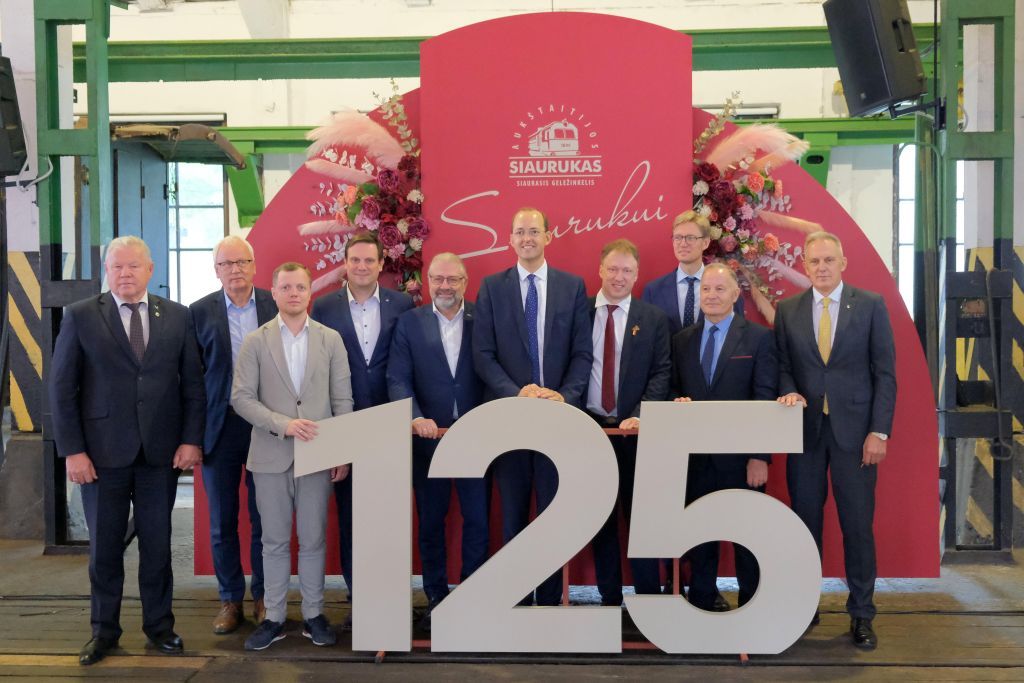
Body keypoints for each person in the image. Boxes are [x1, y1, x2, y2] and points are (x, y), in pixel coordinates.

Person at [50, 236, 205, 666]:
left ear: (150, 270)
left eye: (133, 266)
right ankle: (104, 632)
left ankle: (160, 628)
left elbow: (193, 385)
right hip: (100, 458)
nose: (125, 274)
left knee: (157, 547)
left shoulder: (177, 316)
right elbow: (62, 389)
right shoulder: (81, 316)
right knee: (104, 550)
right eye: (117, 266)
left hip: (160, 455)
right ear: (107, 270)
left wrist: (191, 440)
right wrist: (73, 451)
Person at [775, 231, 896, 650]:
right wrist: (789, 390)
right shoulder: (787, 310)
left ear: (843, 263)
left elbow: (885, 373)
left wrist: (879, 431)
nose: (822, 267)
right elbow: (783, 365)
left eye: (829, 260)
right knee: (805, 523)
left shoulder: (871, 305)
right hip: (805, 434)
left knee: (857, 526)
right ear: (804, 266)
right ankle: (805, 606)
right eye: (814, 261)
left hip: (857, 436)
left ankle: (862, 614)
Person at [472, 206, 592, 606]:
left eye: (534, 231)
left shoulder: (572, 287)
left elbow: (582, 353)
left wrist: (565, 396)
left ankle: (549, 603)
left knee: (553, 518)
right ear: (510, 239)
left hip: (558, 422)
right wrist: (516, 394)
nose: (527, 238)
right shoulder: (492, 288)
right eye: (520, 231)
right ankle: (517, 602)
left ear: (548, 236)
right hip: (509, 422)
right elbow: (483, 354)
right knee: (513, 516)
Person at [231, 262, 353, 651]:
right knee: (273, 541)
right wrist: (282, 424)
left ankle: (314, 614)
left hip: (319, 454)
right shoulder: (256, 341)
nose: (294, 293)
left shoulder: (331, 340)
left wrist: (341, 450)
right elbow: (241, 398)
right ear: (274, 291)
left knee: (314, 539)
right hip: (270, 454)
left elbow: (342, 399)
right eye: (286, 287)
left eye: (300, 287)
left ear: (310, 292)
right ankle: (274, 617)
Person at [310, 232, 413, 626]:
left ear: (382, 264)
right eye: (355, 260)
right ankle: (360, 600)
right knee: (352, 519)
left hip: (390, 424)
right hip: (346, 423)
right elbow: (319, 369)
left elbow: (406, 362)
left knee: (390, 517)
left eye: (370, 260)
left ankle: (391, 599)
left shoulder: (402, 304)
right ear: (345, 263)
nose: (362, 267)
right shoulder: (324, 307)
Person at [387, 252, 489, 631]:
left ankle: (472, 597)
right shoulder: (409, 323)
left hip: (476, 439)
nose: (445, 286)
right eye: (438, 279)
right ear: (428, 282)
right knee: (431, 522)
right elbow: (397, 377)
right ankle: (436, 596)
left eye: (453, 279)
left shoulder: (484, 318)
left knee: (477, 521)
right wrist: (414, 416)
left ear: (465, 282)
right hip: (428, 441)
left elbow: (496, 369)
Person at [670, 262, 777, 612]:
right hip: (695, 461)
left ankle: (752, 608)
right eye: (705, 289)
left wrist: (760, 456)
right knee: (700, 538)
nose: (711, 295)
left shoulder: (759, 338)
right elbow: (673, 390)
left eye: (719, 289)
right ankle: (702, 604)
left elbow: (764, 398)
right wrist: (676, 403)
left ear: (735, 294)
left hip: (742, 462)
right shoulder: (682, 341)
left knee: (747, 540)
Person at [189, 235, 277, 634]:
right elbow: (191, 379)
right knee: (222, 520)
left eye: (242, 262)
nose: (235, 270)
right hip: (220, 427)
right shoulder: (198, 313)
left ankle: (264, 596)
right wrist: (191, 435)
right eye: (227, 264)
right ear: (216, 271)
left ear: (254, 266)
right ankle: (229, 599)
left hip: (266, 426)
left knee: (265, 518)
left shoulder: (275, 304)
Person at [585, 239, 670, 606]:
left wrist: (641, 413)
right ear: (600, 270)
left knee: (642, 518)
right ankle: (609, 597)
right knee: (599, 518)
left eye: (627, 271)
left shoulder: (653, 319)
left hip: (637, 432)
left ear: (637, 275)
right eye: (613, 269)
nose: (619, 277)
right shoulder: (578, 313)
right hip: (590, 429)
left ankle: (649, 598)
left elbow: (662, 371)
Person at [642, 210, 743, 335]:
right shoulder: (653, 291)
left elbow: (738, 335)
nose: (683, 244)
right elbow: (647, 336)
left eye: (690, 238)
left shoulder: (728, 287)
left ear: (705, 243)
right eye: (678, 237)